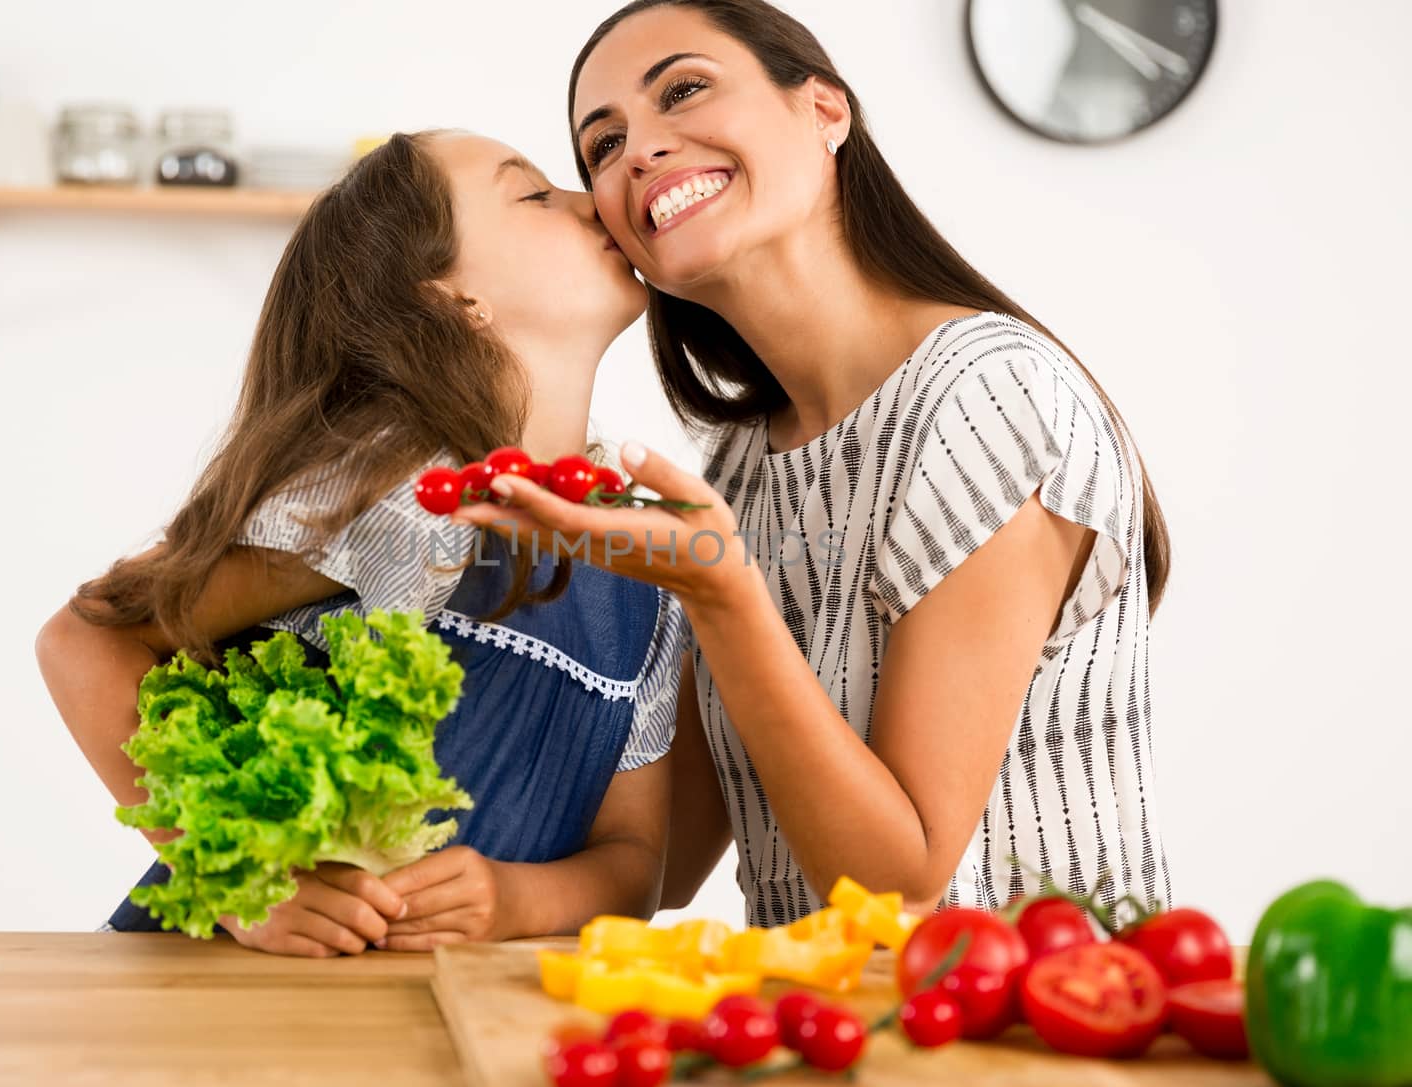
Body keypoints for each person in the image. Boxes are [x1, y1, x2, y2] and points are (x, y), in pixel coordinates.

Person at [456, 0, 1172, 928]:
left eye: (684, 90)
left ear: (825, 111)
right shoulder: (741, 466)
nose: (639, 152)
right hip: (828, 1045)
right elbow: (666, 857)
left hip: (1032, 1041)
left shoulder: (991, 398)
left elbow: (897, 885)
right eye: (602, 146)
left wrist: (719, 592)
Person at [35, 131, 686, 957]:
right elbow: (84, 638)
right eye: (533, 195)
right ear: (454, 299)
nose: (591, 198)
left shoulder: (641, 559)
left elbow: (636, 867)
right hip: (212, 1001)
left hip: (421, 1025)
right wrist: (243, 880)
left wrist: (514, 898)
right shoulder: (396, 485)